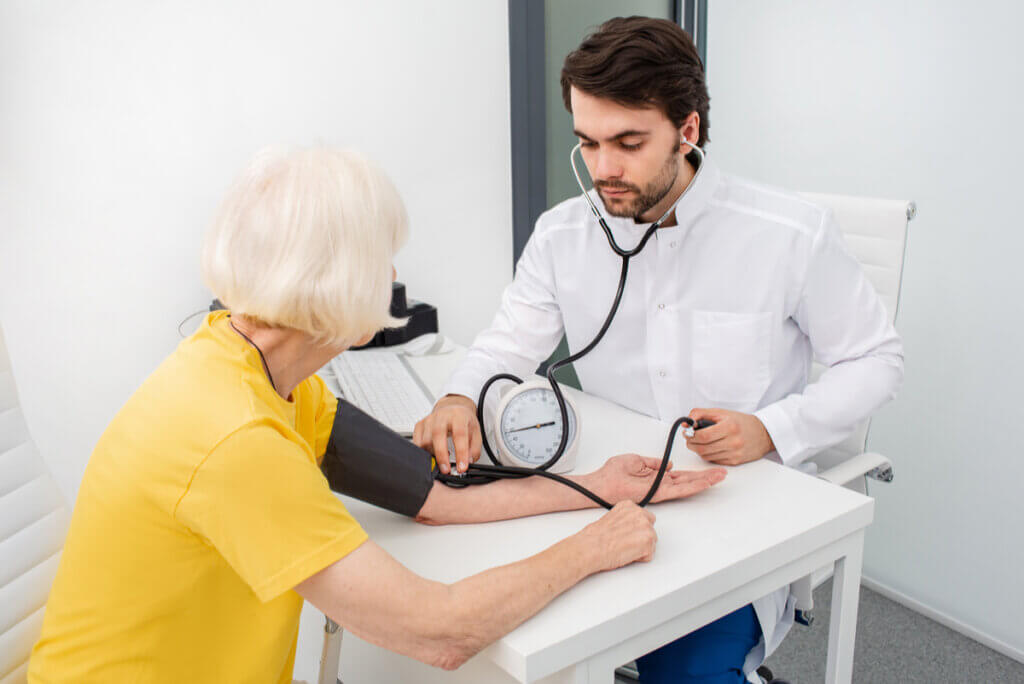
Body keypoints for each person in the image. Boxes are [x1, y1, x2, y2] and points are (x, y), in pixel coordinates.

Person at [27, 146, 726, 683]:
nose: (393, 278)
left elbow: (434, 498)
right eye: (383, 258)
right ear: (332, 282)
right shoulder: (235, 439)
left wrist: (598, 486)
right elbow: (440, 632)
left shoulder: (260, 370)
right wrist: (596, 546)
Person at [414, 16, 904, 684]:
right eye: (588, 143)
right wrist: (459, 395)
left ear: (688, 129)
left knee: (685, 672)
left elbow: (876, 360)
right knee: (489, 633)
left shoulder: (788, 234)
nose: (604, 169)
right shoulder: (563, 235)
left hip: (733, 510)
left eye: (629, 143)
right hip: (601, 491)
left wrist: (772, 428)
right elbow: (507, 342)